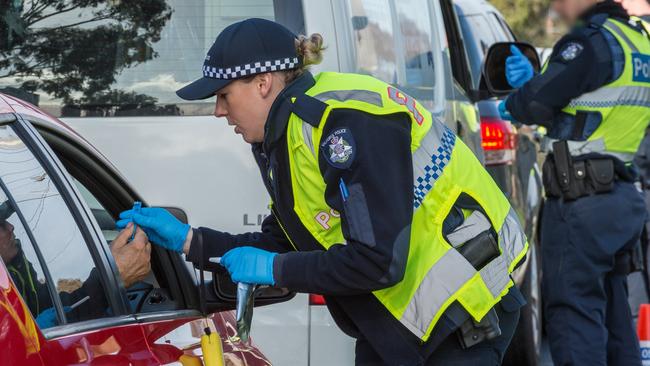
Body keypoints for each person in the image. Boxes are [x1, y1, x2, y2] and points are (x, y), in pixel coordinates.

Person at [118, 18, 529, 365]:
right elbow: (286, 239)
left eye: (224, 95)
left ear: (263, 83)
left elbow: (377, 261)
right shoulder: (288, 132)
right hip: (405, 326)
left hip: (462, 320)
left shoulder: (341, 123)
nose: (219, 111)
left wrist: (273, 270)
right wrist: (190, 241)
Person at [499, 0, 650, 365]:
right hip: (620, 198)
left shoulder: (587, 43)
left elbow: (532, 105)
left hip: (581, 202)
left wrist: (522, 90)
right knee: (615, 318)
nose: (558, 5)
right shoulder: (638, 44)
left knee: (573, 315)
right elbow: (587, 115)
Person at [0, 200, 152, 328]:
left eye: (6, 220)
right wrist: (107, 280)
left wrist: (103, 282)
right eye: (0, 225)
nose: (11, 227)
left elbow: (54, 306)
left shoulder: (16, 269)